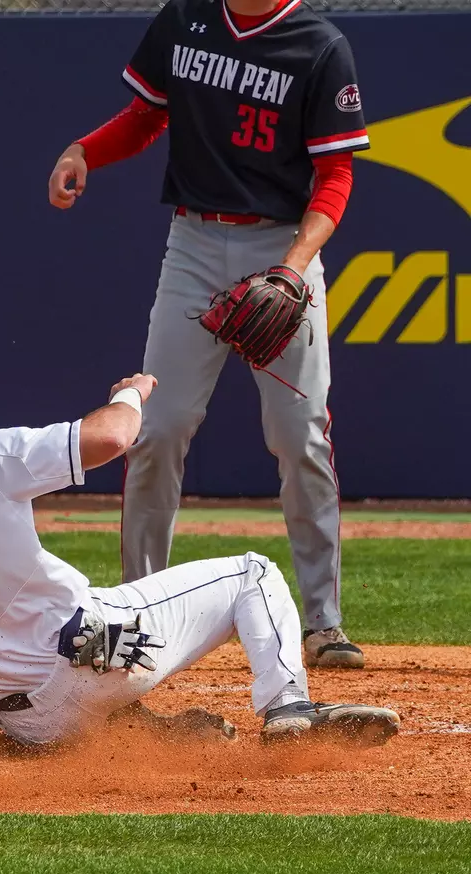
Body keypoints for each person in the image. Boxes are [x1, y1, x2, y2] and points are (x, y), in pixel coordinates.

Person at [0, 337, 399, 750]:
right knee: (254, 574)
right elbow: (112, 437)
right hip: (108, 655)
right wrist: (131, 392)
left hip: (33, 726)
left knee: (75, 654)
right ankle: (288, 707)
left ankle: (145, 734)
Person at [47, 0, 370, 670]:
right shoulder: (186, 18)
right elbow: (147, 117)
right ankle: (136, 611)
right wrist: (86, 150)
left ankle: (323, 622)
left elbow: (335, 176)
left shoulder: (319, 45)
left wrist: (291, 269)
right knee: (156, 429)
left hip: (283, 248)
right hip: (193, 245)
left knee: (301, 434)